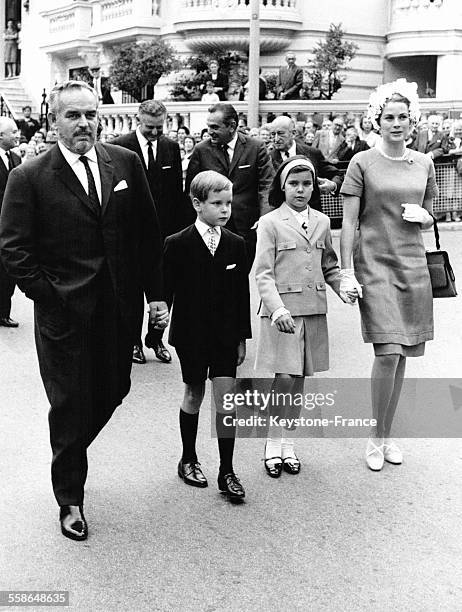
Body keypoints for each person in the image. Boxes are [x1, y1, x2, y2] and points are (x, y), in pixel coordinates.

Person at [0, 80, 166, 540]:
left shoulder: (125, 163)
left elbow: (147, 237)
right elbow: (14, 250)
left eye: (91, 114)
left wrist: (156, 297)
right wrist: (49, 295)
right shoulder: (30, 176)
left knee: (115, 388)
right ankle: (70, 498)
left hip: (118, 310)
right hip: (64, 316)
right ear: (54, 121)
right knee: (70, 404)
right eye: (73, 115)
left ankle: (67, 453)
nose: (84, 124)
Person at [339, 79, 438, 471]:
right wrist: (347, 271)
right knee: (388, 351)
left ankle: (386, 433)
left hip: (413, 265)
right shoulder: (361, 162)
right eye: (388, 117)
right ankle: (374, 437)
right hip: (375, 265)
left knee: (404, 356)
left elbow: (432, 213)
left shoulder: (424, 162)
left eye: (402, 117)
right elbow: (348, 223)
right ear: (376, 121)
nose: (396, 123)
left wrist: (426, 215)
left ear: (412, 121)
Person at [255, 156, 354, 477]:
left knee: (298, 382)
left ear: (315, 186)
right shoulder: (270, 223)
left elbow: (330, 267)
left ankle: (289, 446)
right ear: (282, 187)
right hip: (282, 314)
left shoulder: (323, 222)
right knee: (283, 379)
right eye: (294, 184)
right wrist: (277, 308)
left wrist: (345, 288)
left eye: (307, 183)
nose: (301, 190)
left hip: (313, 311)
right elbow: (263, 274)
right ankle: (272, 445)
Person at [164, 170, 251, 500]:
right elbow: (166, 292)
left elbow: (241, 294)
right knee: (193, 393)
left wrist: (242, 336)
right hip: (191, 334)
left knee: (226, 399)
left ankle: (226, 470)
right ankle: (188, 458)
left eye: (229, 203)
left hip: (226, 335)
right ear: (197, 204)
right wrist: (159, 323)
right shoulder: (177, 243)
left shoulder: (236, 244)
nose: (225, 210)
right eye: (217, 204)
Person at [112, 100, 184, 366]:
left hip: (163, 235)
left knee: (164, 292)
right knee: (130, 292)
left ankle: (155, 337)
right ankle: (132, 341)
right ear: (137, 120)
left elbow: (177, 194)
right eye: (149, 127)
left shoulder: (171, 148)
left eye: (159, 127)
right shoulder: (119, 146)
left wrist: (179, 235)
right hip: (129, 236)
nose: (155, 133)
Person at [185, 103, 274, 271]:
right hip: (211, 229)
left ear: (232, 126)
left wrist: (264, 219)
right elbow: (191, 191)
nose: (210, 131)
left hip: (246, 228)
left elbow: (266, 186)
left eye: (215, 127)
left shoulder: (256, 148)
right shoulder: (201, 150)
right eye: (208, 126)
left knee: (240, 280)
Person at [269, 115, 342, 212]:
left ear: (293, 133)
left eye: (281, 133)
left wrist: (332, 185)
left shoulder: (312, 153)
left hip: (311, 216)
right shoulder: (267, 158)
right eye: (273, 134)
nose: (276, 139)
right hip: (280, 217)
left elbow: (338, 175)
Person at [0, 117, 21, 328]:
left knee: (8, 271)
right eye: (13, 132)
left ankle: (3, 311)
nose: (18, 135)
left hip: (10, 226)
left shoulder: (16, 158)